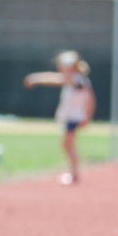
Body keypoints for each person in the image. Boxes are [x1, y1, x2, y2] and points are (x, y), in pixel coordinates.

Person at [23, 50, 96, 185]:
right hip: (73, 117)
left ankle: (74, 174)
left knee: (68, 145)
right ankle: (74, 172)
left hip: (74, 118)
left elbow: (90, 100)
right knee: (68, 145)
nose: (60, 67)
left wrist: (35, 78)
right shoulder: (78, 79)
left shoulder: (75, 79)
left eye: (63, 65)